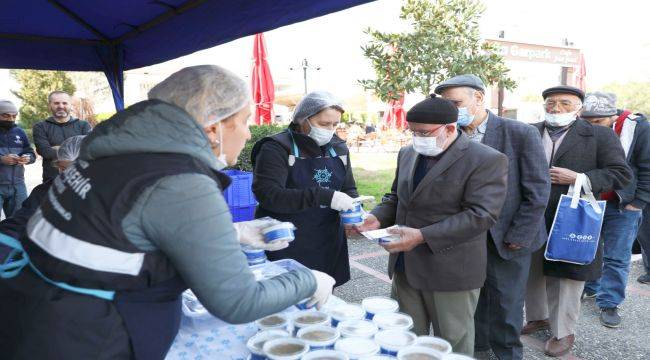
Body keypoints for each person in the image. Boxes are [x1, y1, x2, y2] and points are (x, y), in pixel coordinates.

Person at [0, 65, 335, 359]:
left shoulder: (111, 155)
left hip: (39, 316)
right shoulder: (180, 180)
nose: (248, 134)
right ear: (213, 127)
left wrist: (232, 233)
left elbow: (120, 227)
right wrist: (310, 279)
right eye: (245, 121)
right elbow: (238, 301)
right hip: (90, 339)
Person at [356, 94, 509, 356]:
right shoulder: (407, 153)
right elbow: (397, 197)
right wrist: (378, 216)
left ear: (450, 128)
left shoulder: (485, 159)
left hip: (451, 270)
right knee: (404, 338)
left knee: (452, 343)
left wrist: (422, 236)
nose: (417, 138)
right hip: (406, 267)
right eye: (412, 131)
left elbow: (481, 215)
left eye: (423, 132)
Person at [436, 74, 550, 360]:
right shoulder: (448, 135)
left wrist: (519, 236)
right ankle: (479, 349)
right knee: (473, 300)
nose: (451, 109)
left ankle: (508, 354)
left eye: (456, 102)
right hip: (466, 236)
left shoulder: (520, 133)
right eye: (446, 104)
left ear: (478, 98)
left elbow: (537, 190)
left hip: (508, 236)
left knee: (506, 306)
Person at [523, 86, 632, 357]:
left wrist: (580, 178)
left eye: (564, 103)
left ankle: (562, 331)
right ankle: (538, 316)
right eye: (550, 103)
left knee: (566, 276)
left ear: (578, 109)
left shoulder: (600, 135)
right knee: (531, 271)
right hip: (530, 215)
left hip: (572, 216)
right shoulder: (528, 131)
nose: (556, 108)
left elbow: (620, 174)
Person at [252, 91, 359, 286]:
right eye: (324, 124)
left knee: (324, 298)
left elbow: (348, 187)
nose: (330, 130)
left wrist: (354, 209)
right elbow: (268, 194)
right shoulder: (276, 148)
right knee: (285, 299)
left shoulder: (339, 148)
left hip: (327, 239)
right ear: (303, 119)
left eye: (335, 124)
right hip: (286, 241)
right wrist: (324, 196)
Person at [580, 93, 650, 327]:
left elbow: (647, 166)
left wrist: (638, 201)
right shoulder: (580, 127)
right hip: (590, 199)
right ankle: (591, 288)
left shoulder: (638, 127)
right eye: (587, 121)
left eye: (598, 122)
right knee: (587, 248)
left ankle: (609, 303)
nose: (591, 127)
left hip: (622, 205)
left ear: (613, 115)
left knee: (617, 256)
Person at [32, 91, 92, 182]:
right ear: (50, 106)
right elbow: (45, 152)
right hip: (52, 181)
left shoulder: (83, 125)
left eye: (64, 103)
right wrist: (74, 149)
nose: (61, 106)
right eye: (56, 103)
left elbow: (90, 149)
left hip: (80, 180)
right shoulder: (40, 127)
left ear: (70, 105)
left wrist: (56, 149)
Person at [0, 100, 36, 217]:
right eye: (6, 115)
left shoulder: (20, 132)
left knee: (17, 222)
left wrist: (28, 158)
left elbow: (30, 152)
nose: (11, 119)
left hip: (18, 185)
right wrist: (1, 159)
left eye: (14, 116)